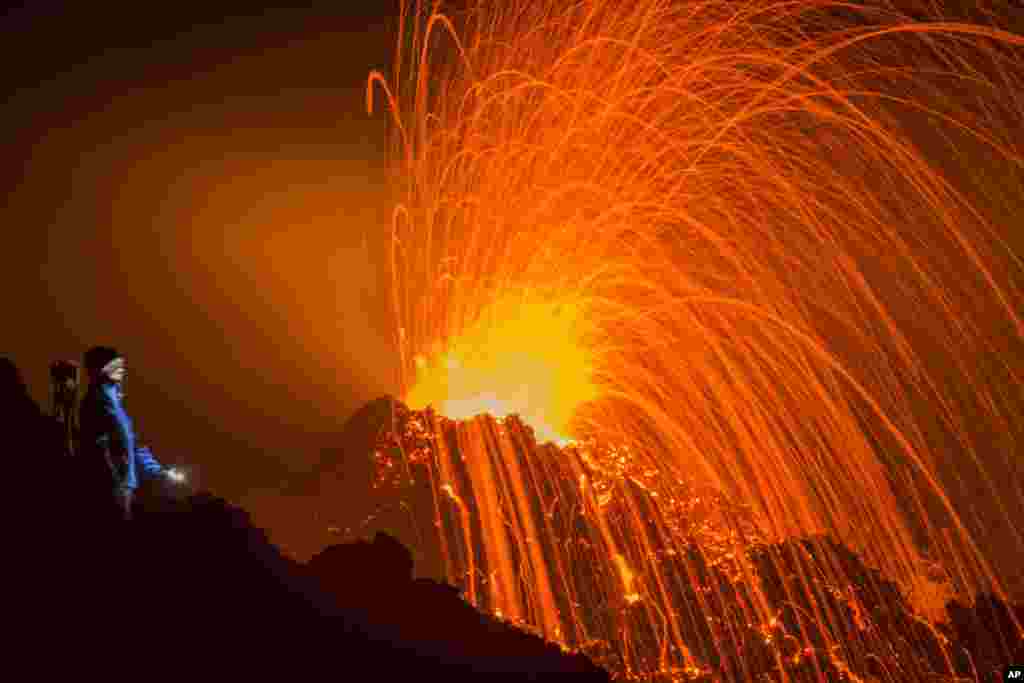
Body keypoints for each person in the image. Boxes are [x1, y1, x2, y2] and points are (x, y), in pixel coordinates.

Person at [78, 346, 181, 522]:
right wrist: (115, 481)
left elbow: (134, 444)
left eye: (121, 365)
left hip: (125, 485)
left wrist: (158, 471)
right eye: (115, 365)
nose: (121, 369)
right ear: (100, 369)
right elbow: (98, 446)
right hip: (111, 486)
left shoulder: (115, 403)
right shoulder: (95, 402)